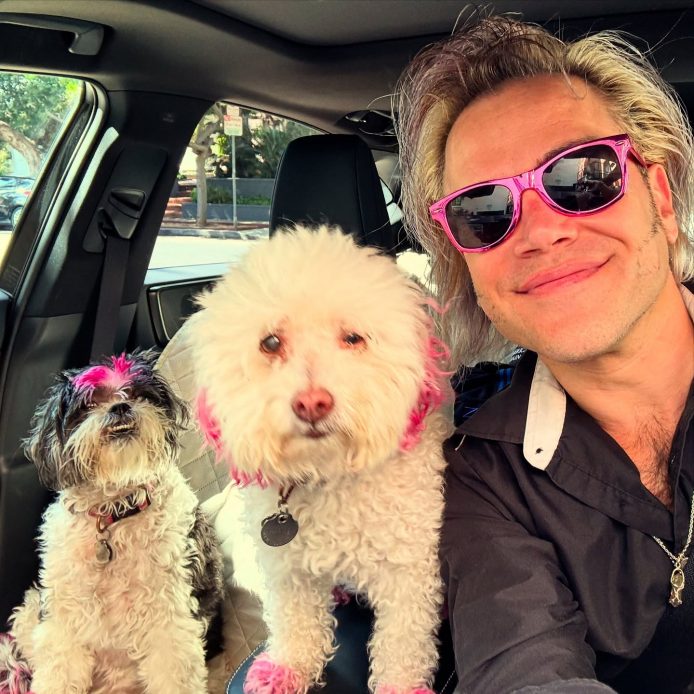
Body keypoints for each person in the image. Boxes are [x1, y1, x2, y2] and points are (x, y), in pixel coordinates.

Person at [395, 13, 694, 694]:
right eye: (483, 211)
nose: (539, 232)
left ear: (660, 198)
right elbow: (520, 666)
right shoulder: (478, 480)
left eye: (583, 176)